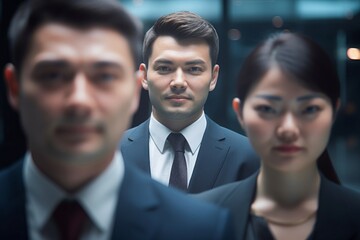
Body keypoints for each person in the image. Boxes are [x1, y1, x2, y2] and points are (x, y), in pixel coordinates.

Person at [0, 1, 236, 239]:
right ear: (14, 87)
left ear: (134, 91)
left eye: (104, 76)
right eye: (53, 76)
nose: (79, 101)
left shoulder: (203, 228)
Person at [197, 32, 360, 240]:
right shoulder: (200, 217)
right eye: (267, 109)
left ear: (333, 112)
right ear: (240, 113)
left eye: (309, 109)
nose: (288, 129)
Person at [120, 11, 260, 193]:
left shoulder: (248, 157)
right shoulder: (111, 154)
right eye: (164, 68)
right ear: (144, 76)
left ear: (213, 77)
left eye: (193, 69)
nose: (178, 82)